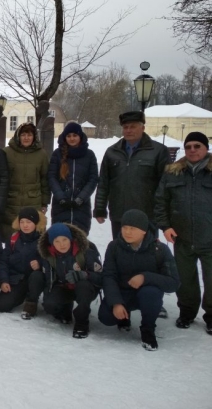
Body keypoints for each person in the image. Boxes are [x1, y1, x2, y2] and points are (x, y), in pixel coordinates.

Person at [98, 210, 180, 351]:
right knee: (105, 317)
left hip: (147, 294)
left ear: (143, 231)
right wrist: (116, 302)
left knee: (151, 293)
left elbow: (173, 283)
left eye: (133, 228)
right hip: (123, 293)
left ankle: (148, 329)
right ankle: (124, 316)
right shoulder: (114, 247)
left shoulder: (159, 249)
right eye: (125, 228)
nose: (127, 232)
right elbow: (109, 276)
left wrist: (145, 277)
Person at [155, 131, 212, 334]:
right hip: (182, 237)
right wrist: (166, 226)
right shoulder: (173, 173)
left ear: (206, 148)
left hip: (209, 238)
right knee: (185, 280)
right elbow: (161, 201)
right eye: (188, 147)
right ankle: (187, 312)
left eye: (197, 146)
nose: (192, 150)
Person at [94, 111, 170, 238]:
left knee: (147, 254)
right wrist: (100, 209)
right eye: (125, 127)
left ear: (143, 128)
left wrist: (163, 215)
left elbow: (165, 185)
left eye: (133, 126)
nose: (128, 130)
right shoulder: (112, 152)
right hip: (119, 214)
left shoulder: (158, 151)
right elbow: (104, 183)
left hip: (146, 215)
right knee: (121, 252)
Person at [38, 223, 103, 338]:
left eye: (64, 239)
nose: (61, 244)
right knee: (49, 305)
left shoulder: (85, 251)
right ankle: (65, 309)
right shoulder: (49, 255)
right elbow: (49, 279)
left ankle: (82, 323)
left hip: (85, 288)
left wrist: (84, 274)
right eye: (57, 241)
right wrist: (49, 300)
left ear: (70, 239)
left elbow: (101, 277)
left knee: (83, 287)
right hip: (64, 287)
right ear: (52, 243)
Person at [1, 122, 50, 242]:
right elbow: (1, 177)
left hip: (33, 201)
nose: (26, 138)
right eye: (23, 135)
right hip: (11, 202)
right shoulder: (7, 152)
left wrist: (45, 202)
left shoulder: (41, 154)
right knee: (11, 238)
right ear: (18, 136)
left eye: (29, 135)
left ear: (34, 136)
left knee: (33, 238)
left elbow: (45, 179)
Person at [47, 122, 99, 234]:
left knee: (79, 239)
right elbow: (52, 177)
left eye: (75, 135)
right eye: (69, 136)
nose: (72, 139)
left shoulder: (89, 155)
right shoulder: (57, 154)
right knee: (60, 238)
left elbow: (93, 179)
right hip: (60, 205)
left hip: (81, 206)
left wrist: (81, 198)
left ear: (80, 136)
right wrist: (60, 197)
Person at [0, 207, 46, 319]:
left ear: (36, 223)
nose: (25, 225)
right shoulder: (13, 239)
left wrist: (40, 263)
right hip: (17, 279)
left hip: (34, 279)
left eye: (29, 222)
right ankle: (21, 294)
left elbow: (50, 260)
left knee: (36, 276)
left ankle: (31, 302)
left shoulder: (43, 240)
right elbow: (4, 261)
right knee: (2, 306)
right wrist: (4, 281)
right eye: (22, 222)